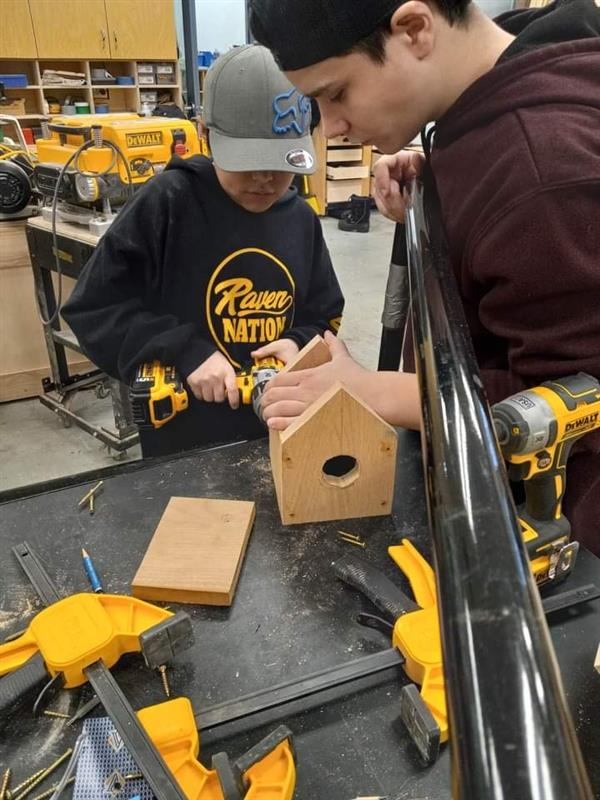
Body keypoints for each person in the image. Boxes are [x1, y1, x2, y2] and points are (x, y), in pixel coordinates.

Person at [250, 0, 600, 554]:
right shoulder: (512, 64)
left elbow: (576, 408)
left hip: (561, 536)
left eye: (335, 93)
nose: (332, 126)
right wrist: (438, 189)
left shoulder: (542, 171)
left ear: (414, 29)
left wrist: (374, 391)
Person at [62, 45, 344, 457]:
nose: (266, 179)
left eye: (281, 163)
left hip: (276, 433)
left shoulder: (299, 218)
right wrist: (185, 351)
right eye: (248, 161)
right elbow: (93, 310)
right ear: (206, 135)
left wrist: (298, 343)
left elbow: (324, 312)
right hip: (182, 442)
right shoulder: (168, 203)